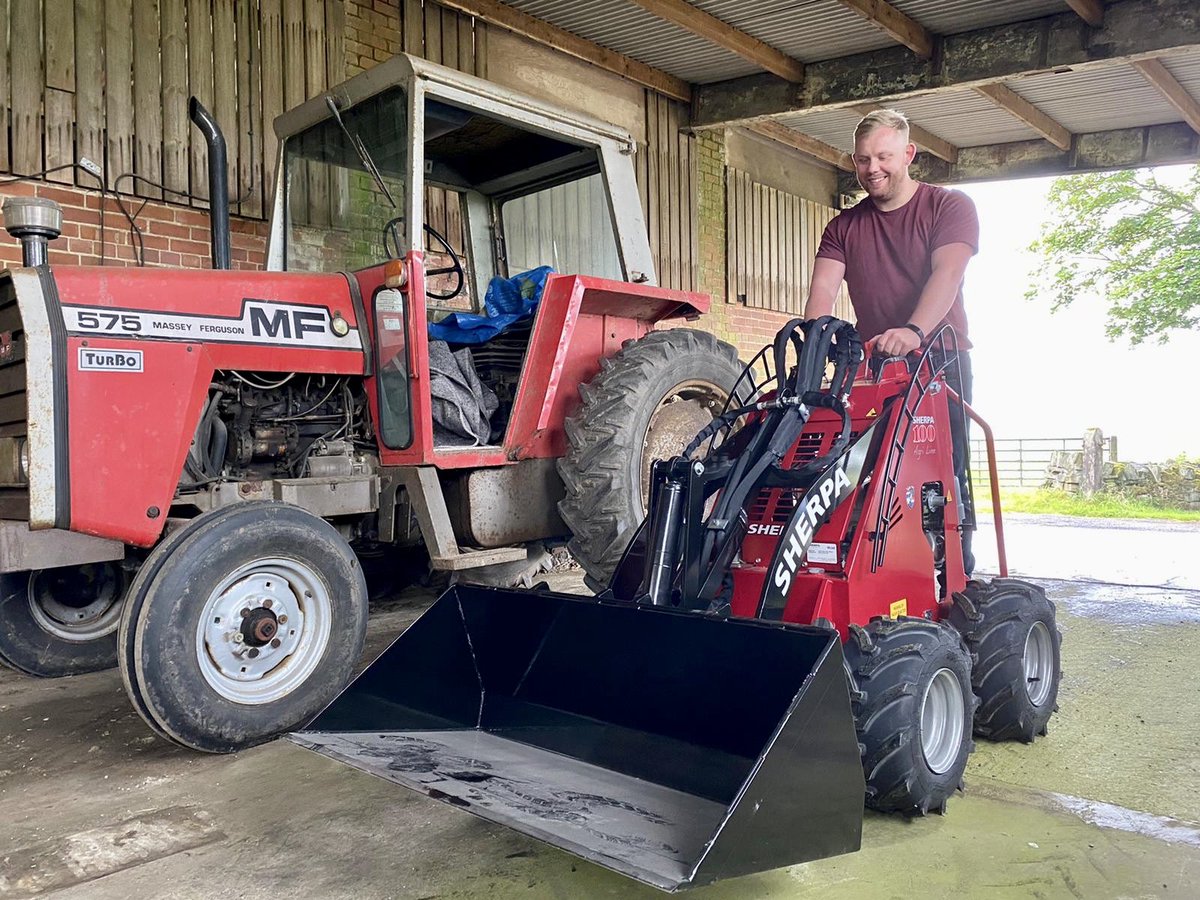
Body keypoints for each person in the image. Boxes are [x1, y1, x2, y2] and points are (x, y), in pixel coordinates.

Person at [802, 108, 979, 575]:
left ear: (908, 154)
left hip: (939, 358)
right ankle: (876, 568)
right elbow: (822, 291)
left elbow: (948, 274)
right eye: (862, 160)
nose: (872, 169)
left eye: (883, 156)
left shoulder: (949, 206)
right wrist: (815, 342)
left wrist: (914, 331)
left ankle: (955, 568)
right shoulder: (844, 227)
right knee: (863, 469)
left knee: (944, 470)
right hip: (874, 367)